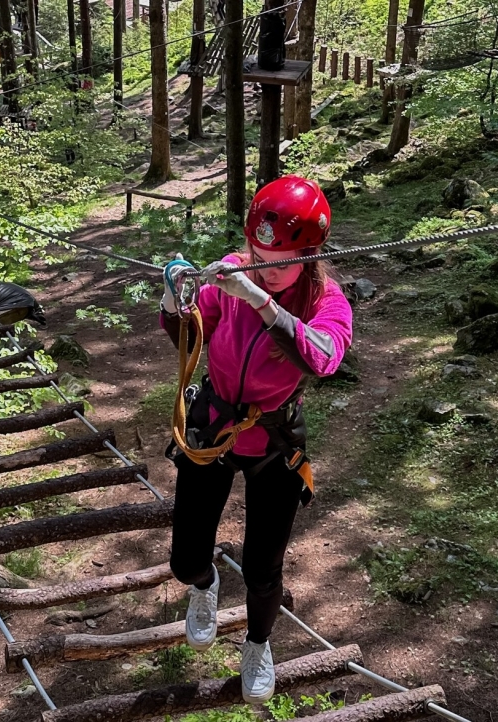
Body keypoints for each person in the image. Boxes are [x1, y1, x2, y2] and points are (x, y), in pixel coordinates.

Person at [158, 175, 353, 703]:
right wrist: (178, 303)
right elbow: (192, 335)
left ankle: (258, 644)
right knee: (184, 560)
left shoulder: (326, 300)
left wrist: (263, 305)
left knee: (264, 567)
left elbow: (324, 357)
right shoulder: (235, 272)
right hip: (215, 428)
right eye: (256, 252)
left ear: (311, 254)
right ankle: (204, 586)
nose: (264, 267)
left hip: (274, 440)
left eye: (279, 259)